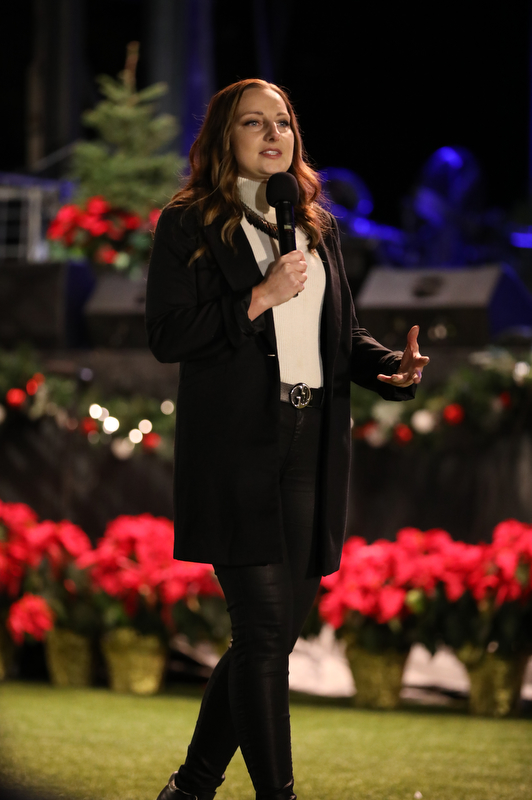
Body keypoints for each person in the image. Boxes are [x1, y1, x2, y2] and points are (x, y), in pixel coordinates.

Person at [146, 78, 429, 800]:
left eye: (283, 122)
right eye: (254, 123)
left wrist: (391, 369)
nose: (274, 135)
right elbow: (168, 335)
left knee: (268, 639)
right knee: (264, 637)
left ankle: (192, 788)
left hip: (313, 445)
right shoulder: (187, 223)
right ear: (225, 137)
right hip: (237, 449)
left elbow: (341, 336)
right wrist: (258, 297)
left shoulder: (314, 224)